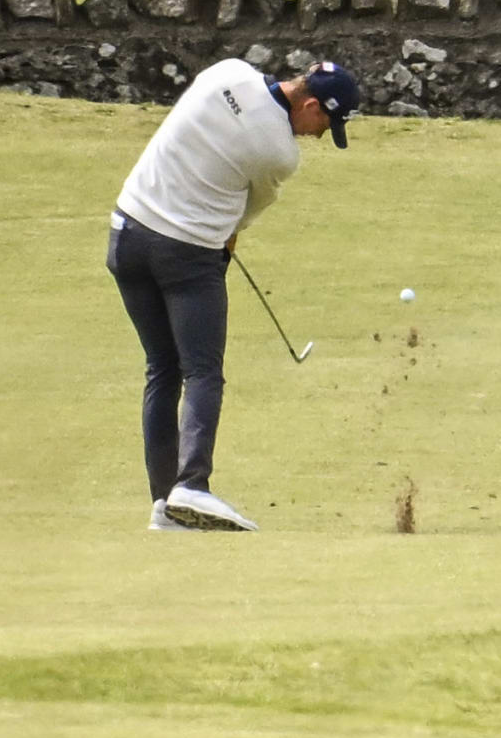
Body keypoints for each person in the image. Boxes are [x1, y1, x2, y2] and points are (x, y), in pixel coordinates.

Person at [107, 53, 364, 531]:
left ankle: (164, 506)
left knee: (162, 369)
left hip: (126, 234)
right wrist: (224, 238)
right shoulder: (280, 154)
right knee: (203, 371)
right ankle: (193, 486)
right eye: (326, 125)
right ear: (310, 105)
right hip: (184, 255)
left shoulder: (228, 71)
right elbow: (243, 215)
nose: (321, 135)